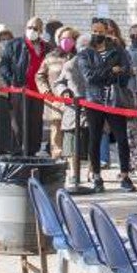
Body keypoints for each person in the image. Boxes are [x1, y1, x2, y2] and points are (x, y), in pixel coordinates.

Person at [78, 18, 136, 192]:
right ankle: (96, 177)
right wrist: (111, 71)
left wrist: (115, 73)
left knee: (121, 138)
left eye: (100, 31)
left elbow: (126, 72)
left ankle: (125, 175)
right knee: (94, 139)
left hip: (115, 99)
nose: (97, 34)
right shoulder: (85, 53)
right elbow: (89, 76)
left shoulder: (118, 51)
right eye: (94, 30)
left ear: (106, 31)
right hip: (94, 100)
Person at [0, 17, 50, 155]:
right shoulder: (15, 45)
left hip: (38, 91)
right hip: (20, 89)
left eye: (35, 28)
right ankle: (17, 151)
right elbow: (3, 66)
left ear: (41, 30)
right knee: (18, 123)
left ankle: (32, 151)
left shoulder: (46, 47)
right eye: (29, 27)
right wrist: (12, 81)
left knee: (35, 122)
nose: (32, 30)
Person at [55, 31, 89, 182]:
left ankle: (92, 174)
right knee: (71, 146)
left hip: (92, 110)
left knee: (91, 144)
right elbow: (59, 83)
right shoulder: (69, 64)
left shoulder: (97, 63)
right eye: (82, 46)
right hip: (72, 110)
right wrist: (65, 92)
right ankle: (74, 174)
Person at [37, 26, 76, 157]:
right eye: (63, 38)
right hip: (55, 101)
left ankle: (71, 158)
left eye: (70, 38)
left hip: (74, 103)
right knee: (56, 130)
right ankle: (57, 156)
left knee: (71, 132)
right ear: (58, 40)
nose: (66, 41)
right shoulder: (50, 57)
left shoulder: (79, 57)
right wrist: (46, 91)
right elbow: (40, 76)